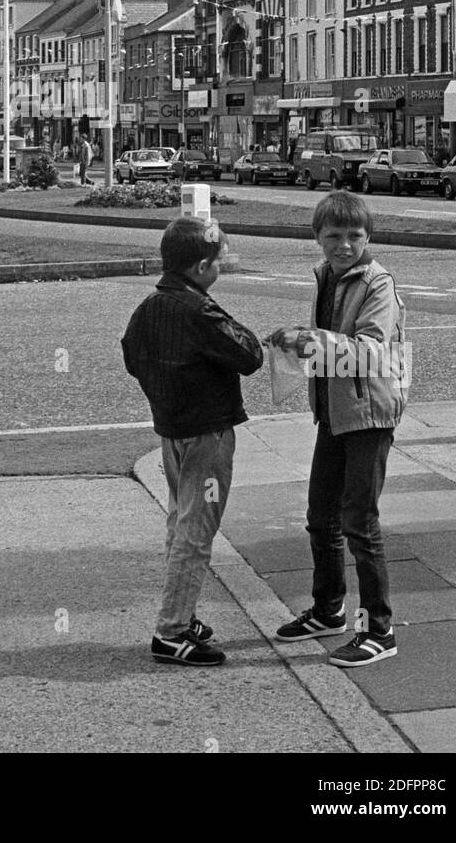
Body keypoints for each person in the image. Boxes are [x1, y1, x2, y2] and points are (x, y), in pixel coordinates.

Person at [267, 191, 407, 667]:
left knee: (360, 523)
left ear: (369, 237)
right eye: (333, 236)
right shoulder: (326, 275)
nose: (344, 244)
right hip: (334, 410)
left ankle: (380, 630)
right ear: (318, 239)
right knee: (320, 517)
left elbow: (368, 349)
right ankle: (329, 611)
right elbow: (330, 344)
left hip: (369, 413)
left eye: (355, 236)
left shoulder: (377, 282)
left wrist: (308, 339)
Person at [122, 217, 263, 667]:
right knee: (196, 533)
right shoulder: (201, 311)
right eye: (219, 261)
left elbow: (132, 355)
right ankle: (171, 631)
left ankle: (183, 613)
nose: (222, 266)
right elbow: (249, 355)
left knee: (180, 523)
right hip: (209, 433)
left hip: (171, 430)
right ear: (202, 267)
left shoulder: (149, 306)